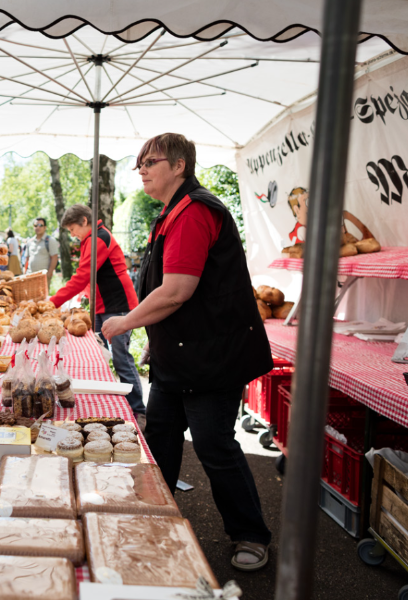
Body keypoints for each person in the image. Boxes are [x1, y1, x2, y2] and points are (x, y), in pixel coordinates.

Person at [101, 133, 274, 571]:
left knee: (214, 445)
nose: (142, 170)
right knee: (159, 436)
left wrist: (125, 322)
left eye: (150, 162)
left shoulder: (194, 211)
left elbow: (178, 290)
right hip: (181, 354)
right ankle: (154, 516)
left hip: (212, 357)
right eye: (139, 164)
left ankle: (250, 534)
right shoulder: (172, 211)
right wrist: (156, 342)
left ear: (179, 166)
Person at [49, 205, 144, 427]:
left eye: (73, 229)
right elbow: (88, 276)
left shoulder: (99, 238)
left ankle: (139, 411)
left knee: (121, 359)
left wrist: (53, 301)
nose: (73, 234)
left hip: (117, 305)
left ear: (84, 221)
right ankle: (118, 404)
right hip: (103, 305)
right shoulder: (91, 239)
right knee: (102, 356)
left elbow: (83, 276)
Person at [22, 217, 59, 289]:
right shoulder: (29, 242)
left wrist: (49, 274)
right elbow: (27, 259)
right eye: (36, 225)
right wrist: (24, 273)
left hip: (43, 277)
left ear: (45, 227)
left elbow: (54, 258)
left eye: (40, 225)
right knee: (29, 295)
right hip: (30, 276)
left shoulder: (50, 240)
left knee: (43, 296)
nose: (38, 227)